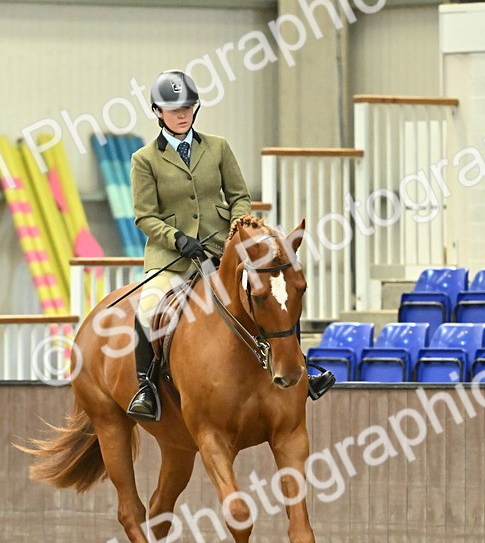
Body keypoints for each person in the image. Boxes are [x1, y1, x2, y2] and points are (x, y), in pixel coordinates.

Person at [125, 69, 334, 422]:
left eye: (188, 107)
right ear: (158, 111)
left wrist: (239, 224)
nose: (182, 114)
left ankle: (302, 369)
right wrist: (177, 239)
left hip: (223, 253)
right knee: (147, 308)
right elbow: (145, 216)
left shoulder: (218, 147)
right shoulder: (144, 160)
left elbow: (239, 196)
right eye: (174, 109)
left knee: (275, 293)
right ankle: (146, 386)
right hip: (174, 258)